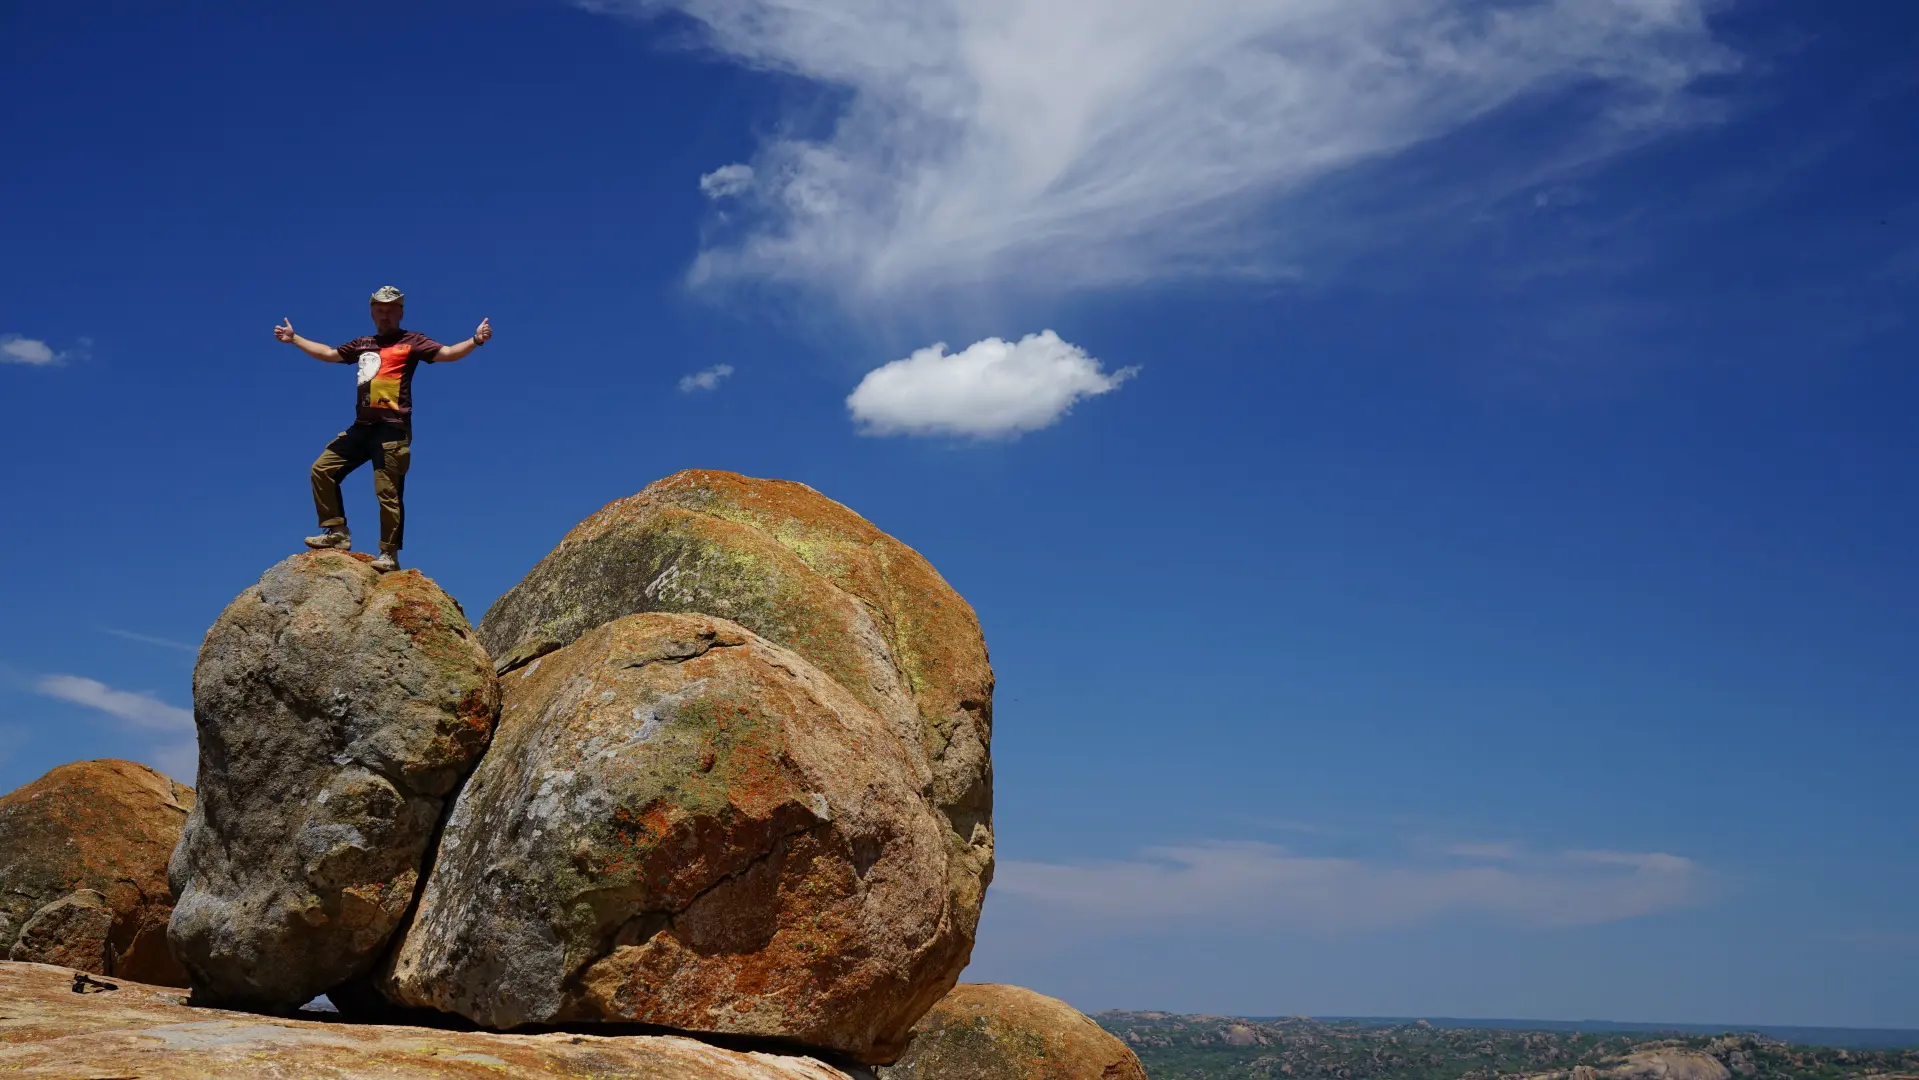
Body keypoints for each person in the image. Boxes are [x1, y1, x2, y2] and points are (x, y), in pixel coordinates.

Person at [273, 285, 491, 572]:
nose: (385, 315)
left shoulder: (412, 341)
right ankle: (337, 532)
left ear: (400, 312)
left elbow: (447, 353)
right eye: (379, 310)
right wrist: (295, 339)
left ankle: (388, 554)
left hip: (392, 429)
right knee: (321, 469)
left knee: (387, 492)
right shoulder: (364, 343)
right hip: (362, 427)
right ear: (372, 313)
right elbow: (329, 353)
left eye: (390, 310)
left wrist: (475, 340)